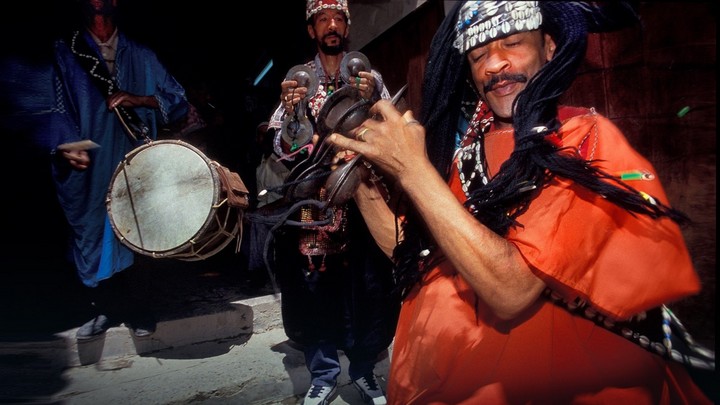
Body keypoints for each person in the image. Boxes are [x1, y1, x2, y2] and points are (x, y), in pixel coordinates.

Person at [328, 1, 715, 404]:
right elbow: (410, 252)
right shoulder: (467, 154)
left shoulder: (585, 141)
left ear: (549, 48)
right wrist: (360, 184)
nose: (494, 65)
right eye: (478, 55)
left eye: (512, 44)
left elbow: (511, 290)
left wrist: (412, 169)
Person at [263, 1, 400, 404]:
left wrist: (375, 100)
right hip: (314, 202)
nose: (332, 25)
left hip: (363, 198)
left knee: (370, 287)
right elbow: (282, 148)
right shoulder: (298, 81)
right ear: (311, 30)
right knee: (313, 285)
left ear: (347, 26)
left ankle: (363, 370)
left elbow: (393, 129)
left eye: (338, 18)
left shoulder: (368, 75)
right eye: (323, 19)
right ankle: (323, 374)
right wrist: (292, 112)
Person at [49, 0, 189, 341]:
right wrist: (66, 142)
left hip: (133, 158)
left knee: (138, 231)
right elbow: (49, 106)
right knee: (93, 233)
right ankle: (104, 309)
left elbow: (177, 99)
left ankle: (138, 309)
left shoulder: (140, 54)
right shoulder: (65, 53)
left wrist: (137, 99)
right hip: (89, 164)